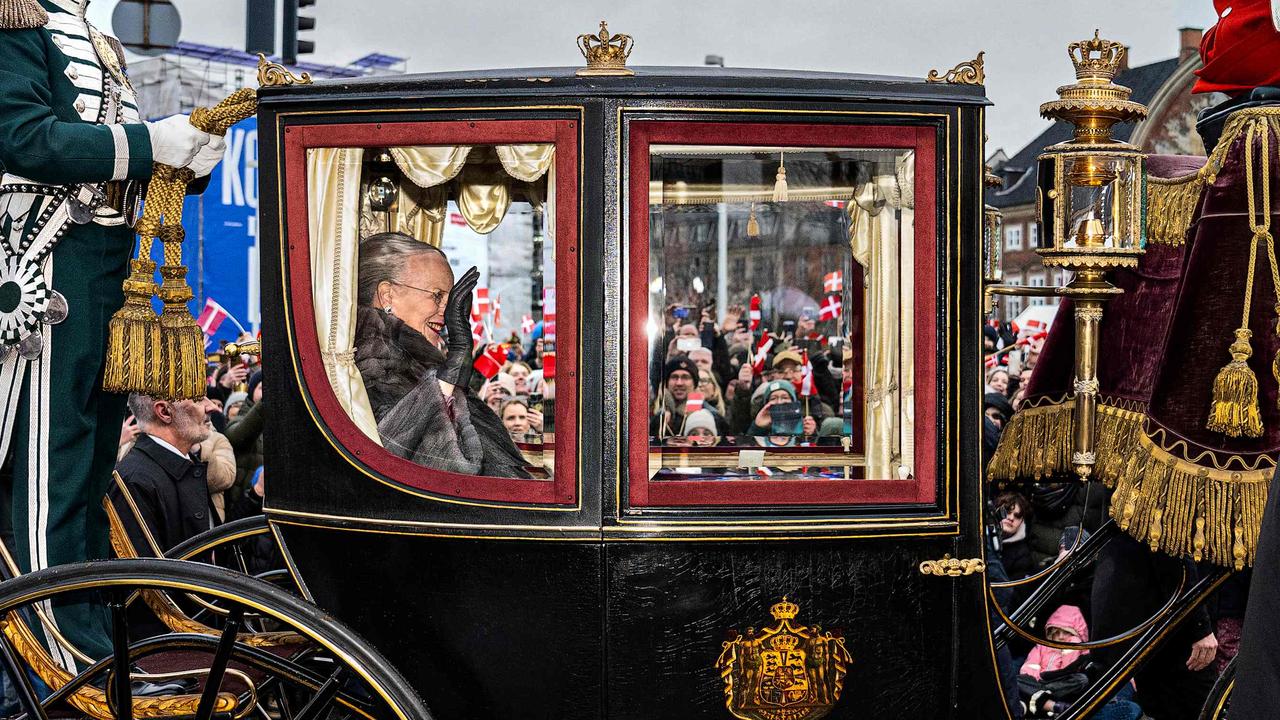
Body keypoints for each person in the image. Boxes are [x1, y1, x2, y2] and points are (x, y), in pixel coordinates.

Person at [0, 0, 221, 664]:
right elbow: (24, 137)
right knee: (53, 466)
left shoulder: (95, 36)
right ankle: (53, 644)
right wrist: (154, 143)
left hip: (106, 265)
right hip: (48, 261)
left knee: (93, 464)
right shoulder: (15, 19)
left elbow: (113, 155)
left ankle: (89, 632)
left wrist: (187, 155)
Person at [354, 232, 529, 477]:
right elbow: (419, 464)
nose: (448, 313)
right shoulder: (373, 356)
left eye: (451, 299)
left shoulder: (414, 358)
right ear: (387, 296)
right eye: (437, 295)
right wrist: (452, 370)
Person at [108, 394, 218, 557]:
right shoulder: (134, 479)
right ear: (164, 412)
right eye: (198, 399)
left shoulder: (187, 462)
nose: (212, 407)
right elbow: (144, 574)